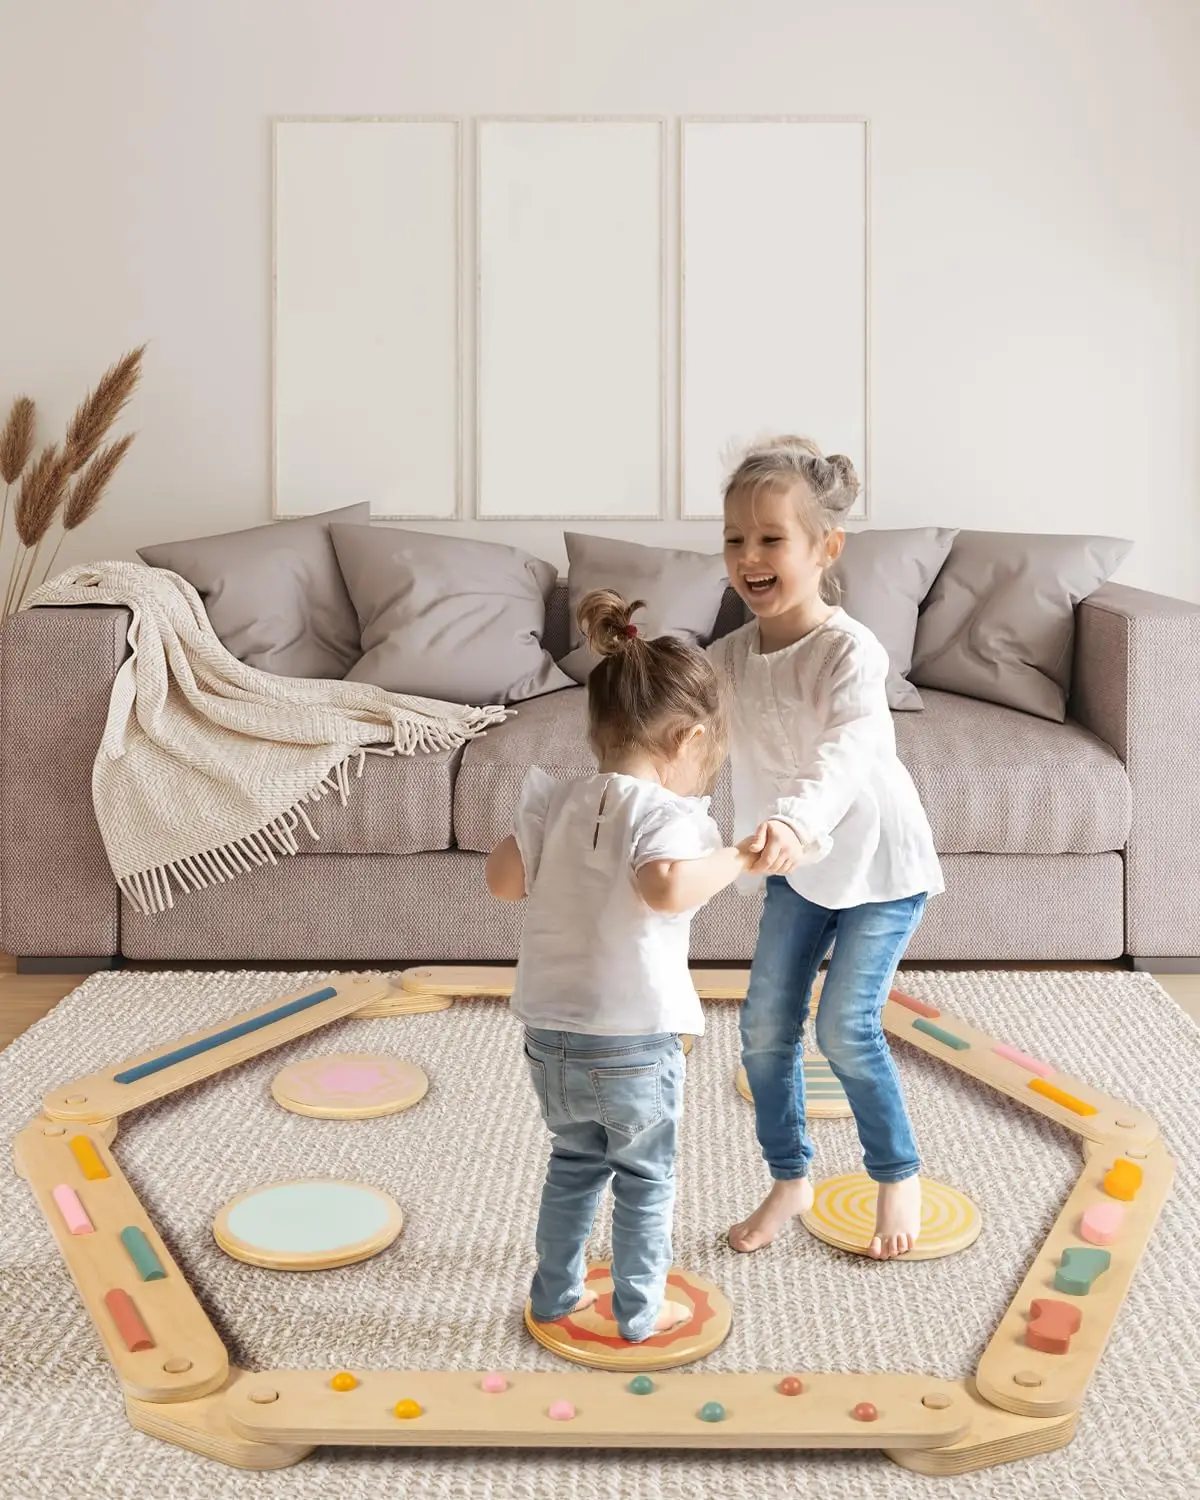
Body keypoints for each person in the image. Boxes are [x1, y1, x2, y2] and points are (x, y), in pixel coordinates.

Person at [485, 589, 751, 1340]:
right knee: (644, 1176)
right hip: (633, 1036)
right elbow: (664, 889)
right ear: (686, 739)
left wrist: (542, 843)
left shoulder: (555, 801)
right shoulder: (669, 815)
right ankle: (637, 1311)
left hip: (550, 1032)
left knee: (573, 1163)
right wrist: (731, 855)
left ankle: (553, 1294)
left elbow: (503, 883)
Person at [711, 435, 943, 1260]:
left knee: (846, 1028)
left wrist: (794, 823)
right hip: (796, 869)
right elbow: (685, 733)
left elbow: (843, 754)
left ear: (824, 548)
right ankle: (790, 1177)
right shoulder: (728, 658)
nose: (749, 556)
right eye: (735, 538)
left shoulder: (851, 650)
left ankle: (897, 1170)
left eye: (771, 538)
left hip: (878, 865)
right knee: (765, 1028)